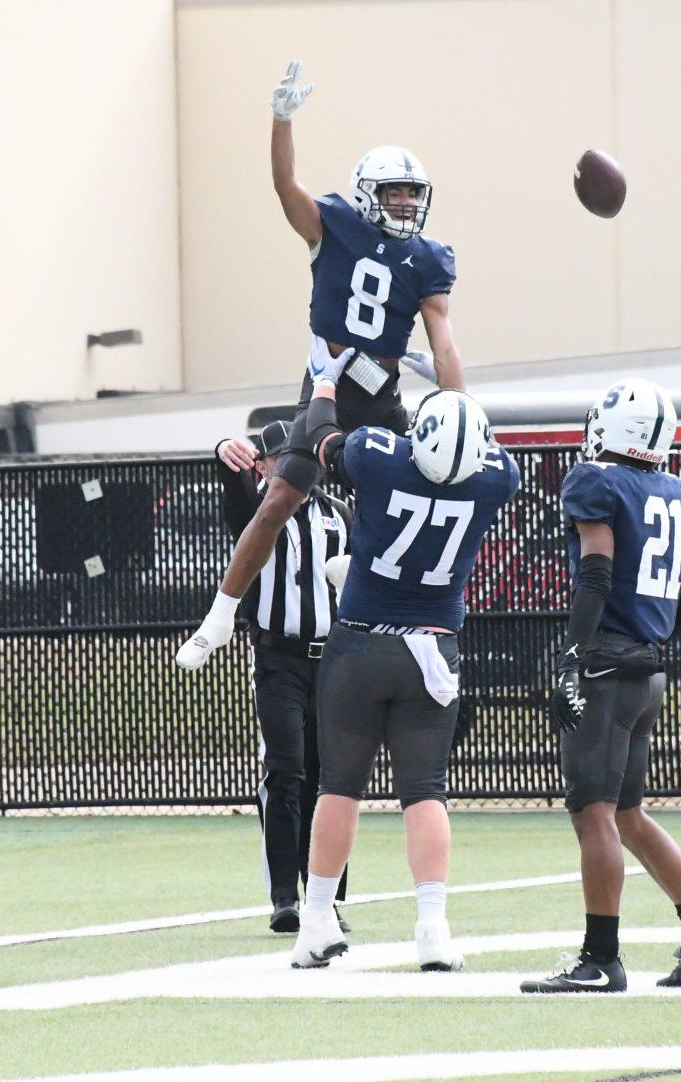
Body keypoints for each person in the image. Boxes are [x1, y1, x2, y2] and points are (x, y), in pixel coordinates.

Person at [178, 341, 519, 973]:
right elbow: (477, 438)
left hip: (360, 644)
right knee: (424, 794)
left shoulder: (383, 462)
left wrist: (328, 388)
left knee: (338, 789)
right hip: (432, 652)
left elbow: (325, 436)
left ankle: (315, 922)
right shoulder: (496, 482)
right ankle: (432, 928)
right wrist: (449, 385)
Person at [520, 378, 681, 994]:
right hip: (646, 673)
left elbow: (595, 569)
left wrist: (575, 655)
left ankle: (601, 959)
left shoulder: (594, 481)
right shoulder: (678, 492)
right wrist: (646, 638)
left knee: (594, 816)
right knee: (627, 815)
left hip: (606, 671)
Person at [270, 60, 465, 436]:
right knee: (287, 489)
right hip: (329, 386)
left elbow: (444, 346)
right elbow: (286, 184)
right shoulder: (335, 227)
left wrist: (462, 408)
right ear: (367, 192)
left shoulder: (428, 258)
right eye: (395, 192)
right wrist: (282, 120)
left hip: (383, 396)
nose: (407, 203)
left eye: (413, 193)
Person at [214, 420, 352, 935]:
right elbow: (234, 501)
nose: (286, 467)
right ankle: (283, 897)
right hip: (279, 661)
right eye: (276, 458)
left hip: (334, 661)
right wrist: (224, 456)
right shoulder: (260, 512)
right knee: (286, 770)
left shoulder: (338, 516)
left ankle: (328, 897)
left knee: (330, 780)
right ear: (264, 466)